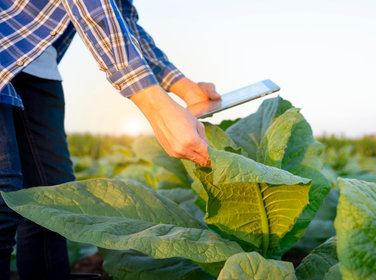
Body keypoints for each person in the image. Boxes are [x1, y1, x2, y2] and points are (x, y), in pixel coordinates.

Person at [0, 0, 219, 279]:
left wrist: (183, 87)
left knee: (53, 205)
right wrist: (156, 105)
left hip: (36, 63)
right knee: (2, 199)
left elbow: (122, 21)